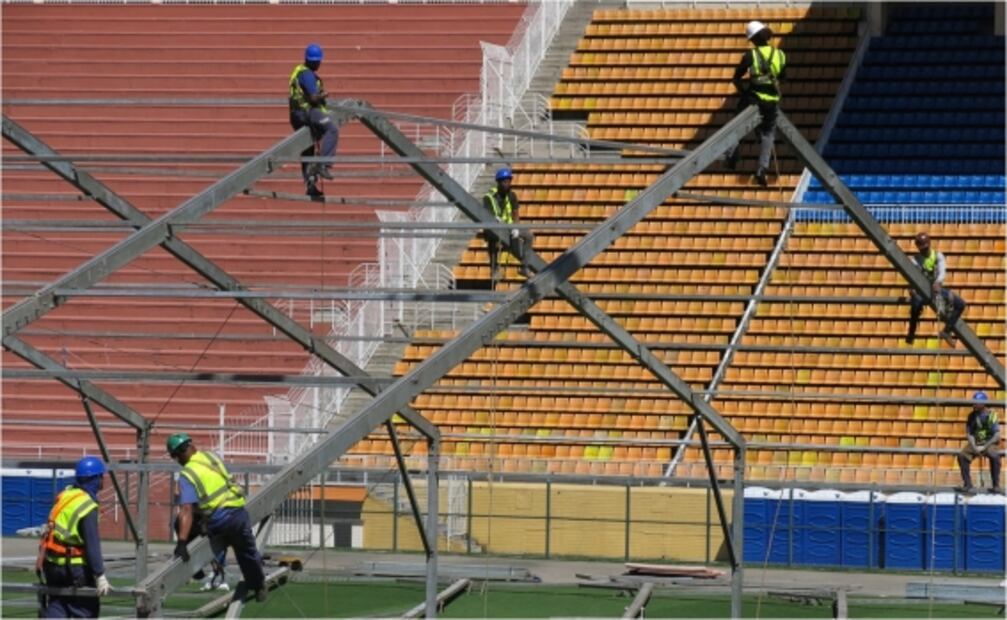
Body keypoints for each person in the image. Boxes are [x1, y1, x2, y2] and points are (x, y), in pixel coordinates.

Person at [167, 433, 267, 602]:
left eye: (175, 457)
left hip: (218, 520)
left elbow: (186, 509)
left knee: (179, 523)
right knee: (247, 552)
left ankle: (195, 568)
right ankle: (258, 586)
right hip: (238, 513)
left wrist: (182, 543)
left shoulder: (187, 474)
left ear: (178, 455)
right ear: (191, 446)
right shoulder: (211, 457)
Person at [37, 456, 111, 618]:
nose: (102, 480)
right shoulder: (87, 505)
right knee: (84, 609)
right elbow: (92, 544)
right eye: (101, 476)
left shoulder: (66, 495)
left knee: (57, 605)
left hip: (52, 566)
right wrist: (100, 575)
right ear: (95, 479)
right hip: (75, 569)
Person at [724, 20, 787, 187]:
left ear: (753, 39)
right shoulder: (780, 55)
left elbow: (736, 78)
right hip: (771, 101)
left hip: (753, 99)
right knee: (768, 135)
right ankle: (762, 168)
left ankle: (731, 155)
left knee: (737, 125)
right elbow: (782, 77)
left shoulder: (750, 55)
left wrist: (743, 92)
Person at [289, 43, 339, 199]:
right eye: (318, 61)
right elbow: (312, 98)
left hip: (296, 114)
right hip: (306, 112)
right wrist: (323, 96)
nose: (319, 64)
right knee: (332, 129)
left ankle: (310, 185)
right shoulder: (308, 75)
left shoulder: (300, 72)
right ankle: (323, 164)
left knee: (308, 148)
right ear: (314, 61)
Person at [906, 232, 967, 347]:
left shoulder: (938, 256)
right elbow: (912, 276)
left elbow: (942, 271)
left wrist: (938, 282)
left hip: (936, 289)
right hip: (921, 291)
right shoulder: (915, 260)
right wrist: (912, 288)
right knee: (915, 305)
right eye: (922, 248)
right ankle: (911, 333)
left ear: (929, 244)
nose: (924, 250)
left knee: (960, 304)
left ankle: (947, 331)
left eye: (926, 247)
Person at [483, 167, 533, 283]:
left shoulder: (512, 195)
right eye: (504, 182)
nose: (507, 184)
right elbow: (486, 213)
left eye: (508, 181)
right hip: (495, 226)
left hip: (509, 226)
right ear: (499, 182)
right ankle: (494, 270)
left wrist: (516, 227)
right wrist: (493, 219)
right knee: (492, 240)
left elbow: (515, 213)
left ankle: (524, 267)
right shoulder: (489, 197)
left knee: (529, 236)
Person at [957, 391, 1001, 493]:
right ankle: (967, 484)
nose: (974, 404)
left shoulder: (992, 415)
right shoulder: (971, 416)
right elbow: (969, 434)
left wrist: (984, 447)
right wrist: (974, 446)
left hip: (990, 442)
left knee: (994, 456)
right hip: (976, 442)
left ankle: (996, 485)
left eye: (976, 402)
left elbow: (996, 435)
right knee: (962, 456)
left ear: (983, 403)